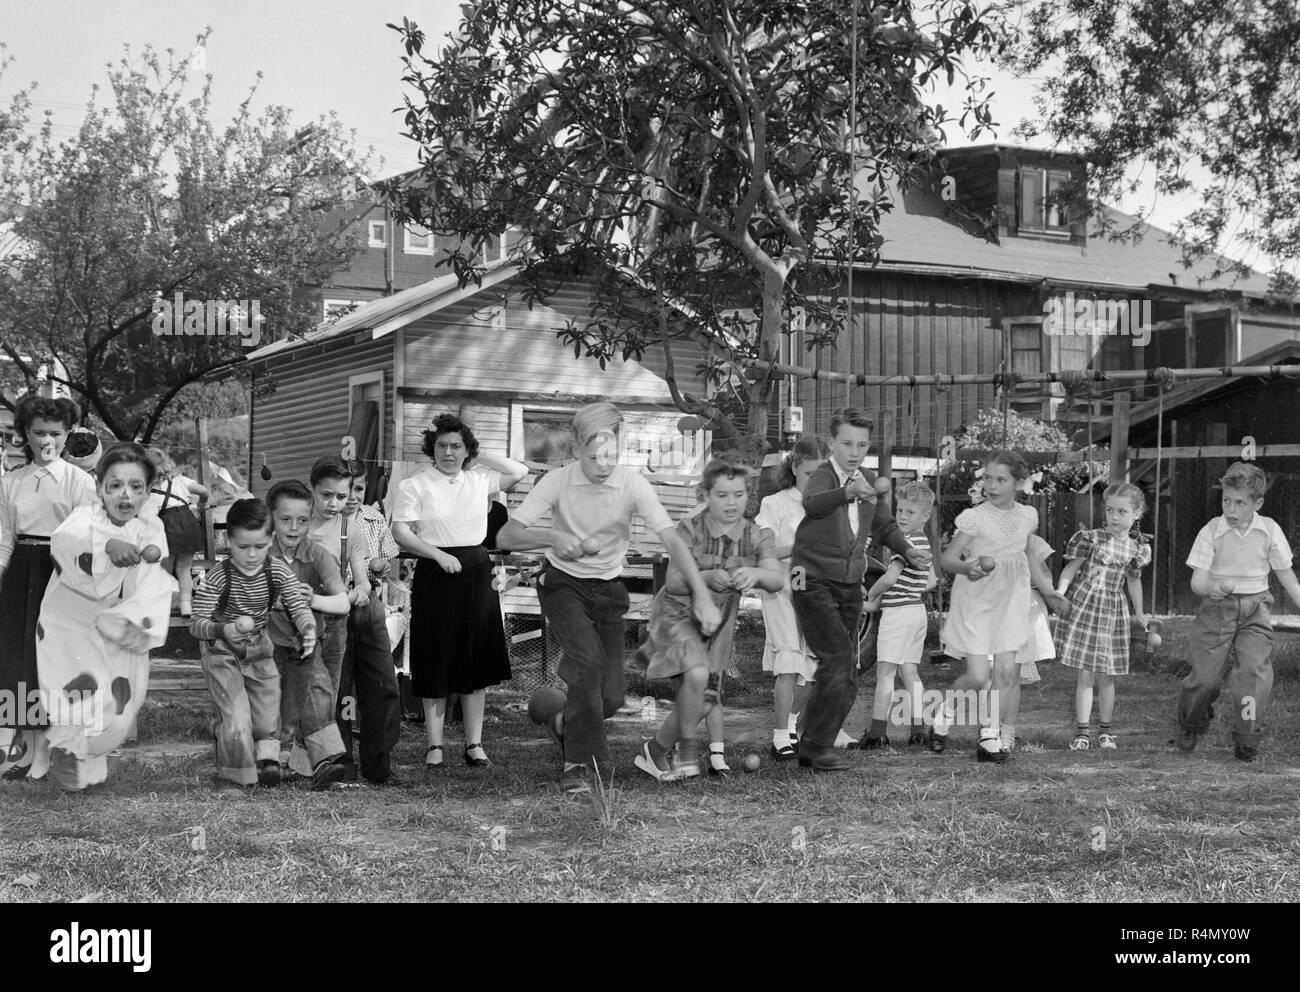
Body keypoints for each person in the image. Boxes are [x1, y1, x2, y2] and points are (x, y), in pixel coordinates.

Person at [497, 401, 722, 794]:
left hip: (609, 592)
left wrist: (702, 596)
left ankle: (558, 718)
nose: (603, 464)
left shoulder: (632, 484)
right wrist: (554, 537)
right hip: (563, 585)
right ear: (577, 449)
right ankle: (581, 766)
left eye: (611, 454)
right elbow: (506, 537)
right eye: (594, 455)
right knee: (588, 663)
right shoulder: (557, 481)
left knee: (611, 698)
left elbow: (673, 541)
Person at [28, 442, 176, 790]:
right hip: (73, 623)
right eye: (115, 486)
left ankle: (83, 761)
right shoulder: (85, 517)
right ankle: (69, 751)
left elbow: (154, 577)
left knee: (121, 706)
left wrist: (138, 618)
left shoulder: (151, 527)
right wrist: (107, 546)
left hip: (120, 625)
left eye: (136, 487)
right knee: (82, 692)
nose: (125, 496)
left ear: (148, 491)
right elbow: (66, 541)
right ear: (99, 488)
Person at [790, 408, 930, 772]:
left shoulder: (867, 478)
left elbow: (884, 527)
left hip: (850, 584)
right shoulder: (823, 476)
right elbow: (813, 504)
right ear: (833, 443)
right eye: (847, 443)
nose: (855, 451)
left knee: (846, 670)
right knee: (836, 660)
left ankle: (812, 744)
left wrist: (907, 549)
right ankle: (815, 746)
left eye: (863, 444)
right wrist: (847, 491)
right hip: (811, 579)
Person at [391, 416, 528, 771]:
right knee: (435, 656)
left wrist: (481, 453)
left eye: (456, 446)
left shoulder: (480, 480)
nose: (448, 453)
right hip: (435, 570)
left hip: (475, 571)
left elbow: (520, 470)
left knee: (475, 658)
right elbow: (402, 533)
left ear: (467, 450)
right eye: (441, 446)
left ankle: (474, 744)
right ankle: (434, 745)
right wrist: (437, 555)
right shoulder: (415, 485)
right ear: (431, 449)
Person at [636, 459, 782, 781]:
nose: (732, 503)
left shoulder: (757, 535)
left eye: (739, 495)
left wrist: (755, 573)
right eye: (722, 495)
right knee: (699, 674)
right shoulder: (689, 530)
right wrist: (706, 576)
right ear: (706, 495)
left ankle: (655, 751)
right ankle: (668, 751)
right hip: (678, 612)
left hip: (720, 621)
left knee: (705, 700)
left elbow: (776, 580)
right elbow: (673, 582)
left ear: (749, 497)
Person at [936, 451, 1069, 762]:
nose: (992, 486)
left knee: (1007, 671)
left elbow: (1028, 557)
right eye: (988, 479)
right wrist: (968, 567)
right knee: (978, 676)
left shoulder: (1025, 516)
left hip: (1013, 600)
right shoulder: (976, 517)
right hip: (978, 599)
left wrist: (1049, 592)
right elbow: (947, 559)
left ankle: (989, 737)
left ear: (1018, 483)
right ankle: (944, 715)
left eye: (1000, 480)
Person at [1176, 462, 1300, 761]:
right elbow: (1198, 581)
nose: (1231, 509)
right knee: (1205, 680)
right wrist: (1212, 587)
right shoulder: (1212, 531)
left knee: (1253, 675)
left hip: (1256, 609)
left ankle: (1247, 738)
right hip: (1217, 609)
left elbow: (1286, 576)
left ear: (1257, 503)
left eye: (1240, 503)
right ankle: (1191, 723)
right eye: (1226, 500)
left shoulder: (1269, 530)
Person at [0, 396, 97, 780]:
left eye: (55, 434)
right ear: (25, 433)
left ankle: (47, 752)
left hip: (59, 573)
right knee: (14, 659)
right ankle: (23, 749)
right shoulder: (11, 481)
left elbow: (87, 538)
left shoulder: (79, 481)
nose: (46, 441)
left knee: (48, 660)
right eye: (38, 433)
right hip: (21, 572)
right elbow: (5, 537)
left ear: (68, 434)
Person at [190, 498, 316, 788]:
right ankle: (236, 777)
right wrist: (223, 630)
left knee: (265, 719)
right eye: (242, 546)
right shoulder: (219, 577)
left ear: (270, 540)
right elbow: (196, 624)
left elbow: (297, 605)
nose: (251, 555)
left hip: (259, 649)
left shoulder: (278, 572)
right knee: (236, 719)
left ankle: (267, 763)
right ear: (228, 541)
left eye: (259, 546)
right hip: (221, 651)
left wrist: (307, 626)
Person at [266, 480, 354, 788]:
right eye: (285, 519)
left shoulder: (319, 555)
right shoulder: (258, 556)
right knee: (276, 706)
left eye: (302, 520)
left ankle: (321, 764)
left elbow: (342, 603)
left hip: (307, 643)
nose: (293, 527)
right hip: (267, 647)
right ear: (270, 519)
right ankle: (274, 763)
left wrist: (311, 599)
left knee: (317, 693)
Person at [1054, 482, 1151, 751]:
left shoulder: (1136, 549)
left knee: (1107, 675)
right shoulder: (1092, 538)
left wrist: (1140, 613)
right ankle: (1082, 734)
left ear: (1136, 514)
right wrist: (1060, 592)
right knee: (1085, 674)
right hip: (1087, 606)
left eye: (1122, 511)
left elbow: (1133, 582)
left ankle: (1106, 733)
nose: (1115, 517)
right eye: (1110, 510)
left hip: (1113, 613)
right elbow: (1070, 570)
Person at [755, 438, 826, 760]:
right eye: (809, 472)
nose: (816, 479)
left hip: (815, 591)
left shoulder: (830, 506)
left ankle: (794, 724)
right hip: (781, 589)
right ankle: (779, 737)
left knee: (813, 665)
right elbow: (764, 550)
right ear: (794, 467)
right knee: (788, 659)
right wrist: (800, 546)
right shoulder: (775, 503)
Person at [305, 456, 374, 778]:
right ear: (312, 490)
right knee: (312, 689)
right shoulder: (294, 524)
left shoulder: (352, 530)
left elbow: (363, 585)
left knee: (328, 693)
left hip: (334, 622)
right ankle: (322, 762)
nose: (334, 503)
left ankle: (299, 761)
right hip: (291, 622)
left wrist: (351, 595)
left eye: (342, 497)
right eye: (326, 495)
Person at [335, 460, 402, 784]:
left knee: (382, 686)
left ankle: (379, 765)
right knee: (339, 691)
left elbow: (388, 555)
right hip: (334, 609)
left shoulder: (374, 519)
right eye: (345, 490)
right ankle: (341, 763)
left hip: (370, 606)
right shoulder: (324, 523)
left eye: (358, 489)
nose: (351, 497)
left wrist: (382, 563)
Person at [859, 481, 936, 749]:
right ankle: (918, 730)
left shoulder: (906, 543)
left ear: (925, 516)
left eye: (910, 512)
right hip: (916, 611)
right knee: (910, 672)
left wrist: (870, 594)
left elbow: (890, 579)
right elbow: (930, 582)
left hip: (899, 615)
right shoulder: (924, 542)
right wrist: (875, 605)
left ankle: (877, 733)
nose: (902, 516)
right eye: (900, 510)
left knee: (885, 673)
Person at [144, 446, 210, 616]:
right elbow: (203, 490)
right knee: (184, 568)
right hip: (188, 524)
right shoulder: (180, 480)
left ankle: (163, 603)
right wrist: (203, 502)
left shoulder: (148, 492)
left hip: (167, 529)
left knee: (165, 569)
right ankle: (186, 604)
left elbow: (148, 518)